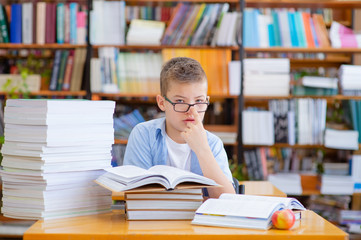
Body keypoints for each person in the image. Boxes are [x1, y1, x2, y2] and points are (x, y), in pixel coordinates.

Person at [123, 57, 235, 198]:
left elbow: (228, 201)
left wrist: (202, 150)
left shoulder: (212, 143)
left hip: (195, 219)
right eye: (180, 101)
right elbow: (135, 196)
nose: (191, 111)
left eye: (199, 101)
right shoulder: (143, 135)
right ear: (162, 103)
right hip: (154, 220)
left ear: (207, 101)